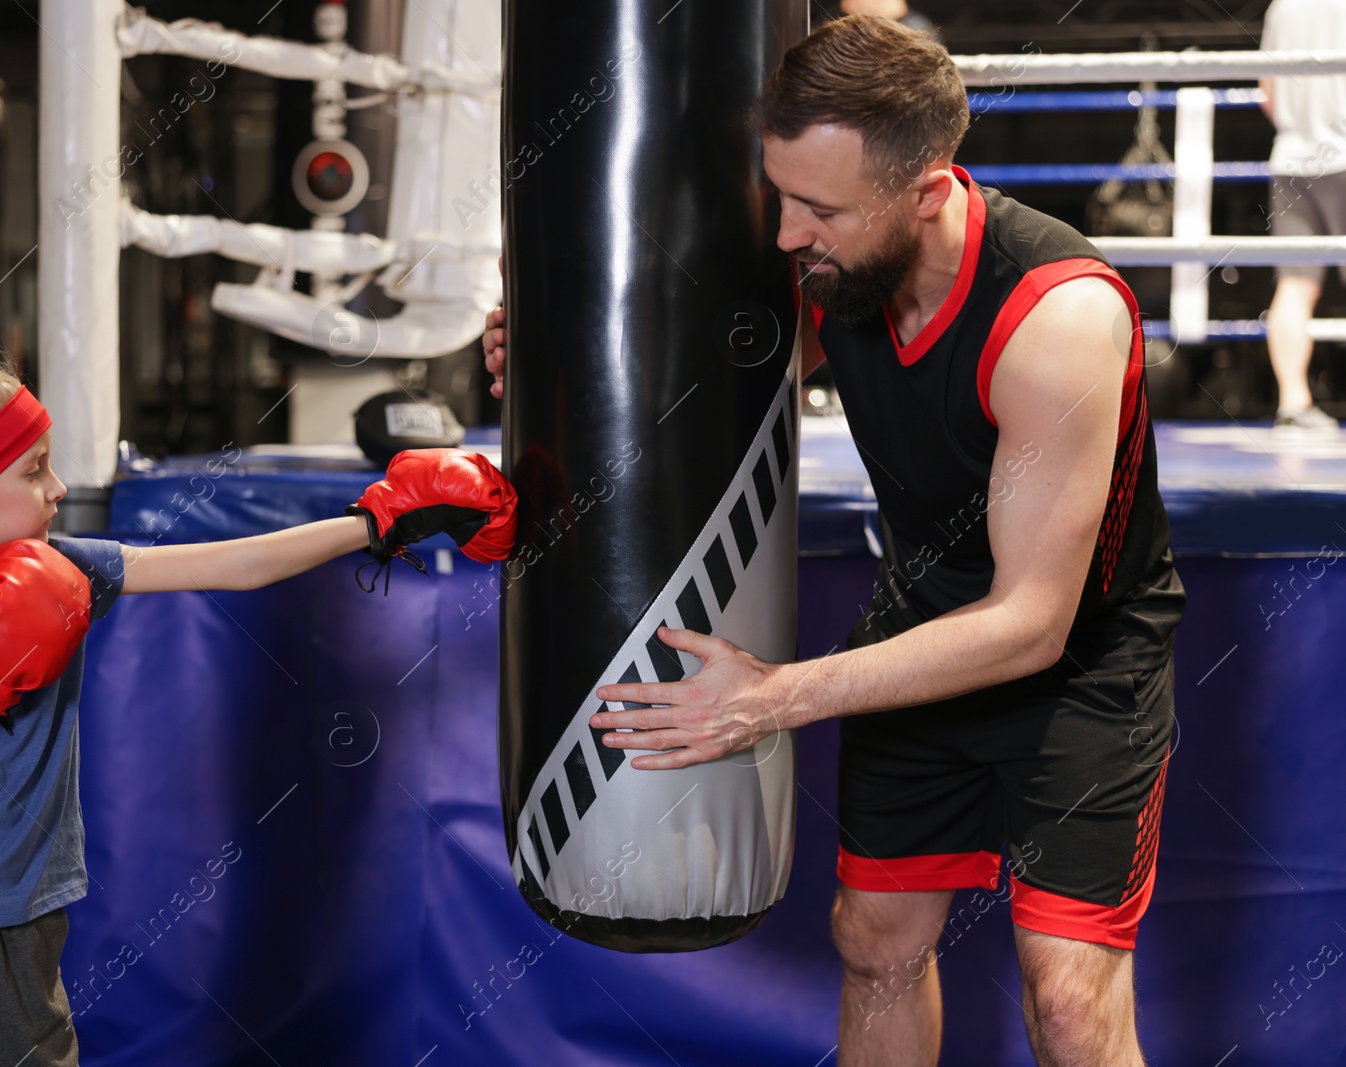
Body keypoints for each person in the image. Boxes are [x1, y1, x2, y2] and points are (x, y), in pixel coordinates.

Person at [484, 16, 1182, 1067]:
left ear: (929, 191)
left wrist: (772, 695)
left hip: (1077, 668)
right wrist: (556, 340)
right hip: (920, 628)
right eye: (781, 197)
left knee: (1070, 997)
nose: (785, 237)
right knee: (874, 941)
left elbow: (1031, 624)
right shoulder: (843, 268)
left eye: (819, 209)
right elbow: (717, 365)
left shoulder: (1057, 319)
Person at [0, 352, 514, 1066]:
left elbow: (236, 564)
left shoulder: (63, 570)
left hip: (26, 930)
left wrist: (377, 522)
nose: (60, 487)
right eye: (34, 470)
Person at [1259, 0, 1346, 434]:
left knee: (1295, 285)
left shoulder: (1283, 6)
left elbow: (1268, 92)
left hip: (1292, 159)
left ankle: (1293, 403)